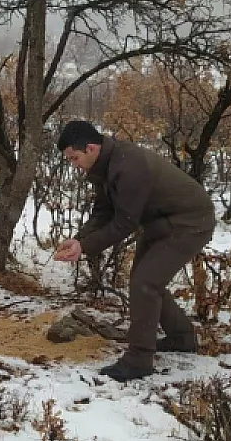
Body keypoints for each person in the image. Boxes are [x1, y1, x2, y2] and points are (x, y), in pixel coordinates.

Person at [53, 120, 216, 382]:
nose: (74, 165)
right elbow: (104, 211)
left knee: (145, 283)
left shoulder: (129, 165)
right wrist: (79, 239)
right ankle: (182, 338)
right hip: (158, 223)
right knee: (146, 282)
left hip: (190, 223)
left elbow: (124, 223)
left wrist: (85, 247)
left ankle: (138, 361)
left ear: (91, 148)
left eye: (74, 158)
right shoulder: (104, 164)